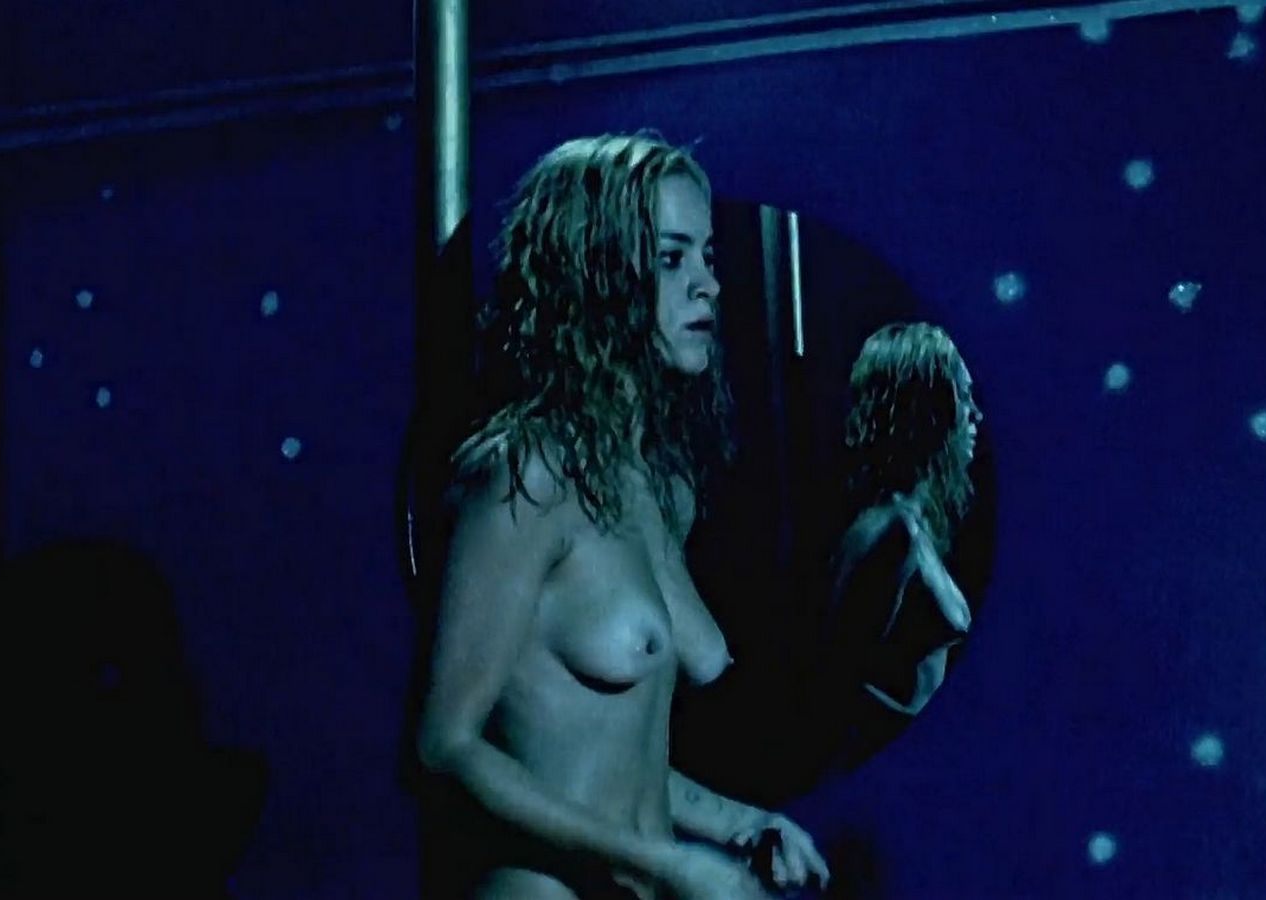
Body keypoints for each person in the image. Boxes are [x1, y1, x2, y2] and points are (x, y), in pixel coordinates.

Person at [412, 134, 829, 899]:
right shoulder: (527, 474)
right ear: (594, 274)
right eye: (671, 259)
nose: (708, 284)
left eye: (707, 255)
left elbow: (606, 760)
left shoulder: (650, 485)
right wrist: (665, 863)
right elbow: (447, 746)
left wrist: (740, 823)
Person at [817, 322, 986, 768]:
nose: (975, 415)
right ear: (928, 408)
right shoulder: (890, 532)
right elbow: (838, 680)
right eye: (963, 396)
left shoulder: (911, 523)